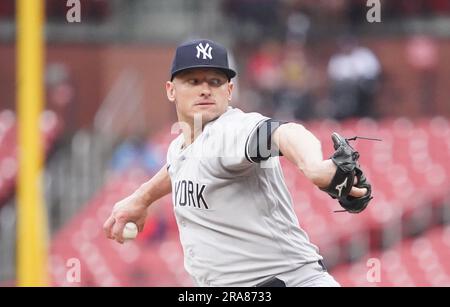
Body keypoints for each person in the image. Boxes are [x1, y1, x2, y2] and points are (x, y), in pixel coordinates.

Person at [103, 39, 372, 287]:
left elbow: (284, 133)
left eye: (215, 81)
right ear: (171, 90)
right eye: (193, 81)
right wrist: (141, 198)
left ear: (230, 90)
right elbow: (179, 167)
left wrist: (314, 166)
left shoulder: (232, 131)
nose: (205, 89)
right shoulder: (182, 146)